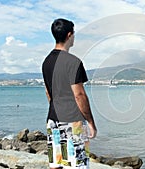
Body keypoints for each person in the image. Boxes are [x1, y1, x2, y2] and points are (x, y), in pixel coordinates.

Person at [42, 18, 97, 169]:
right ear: (69, 35)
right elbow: (79, 95)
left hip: (53, 119)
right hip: (73, 121)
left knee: (56, 164)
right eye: (73, 34)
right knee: (77, 165)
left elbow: (48, 92)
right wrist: (91, 123)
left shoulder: (46, 61)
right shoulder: (73, 62)